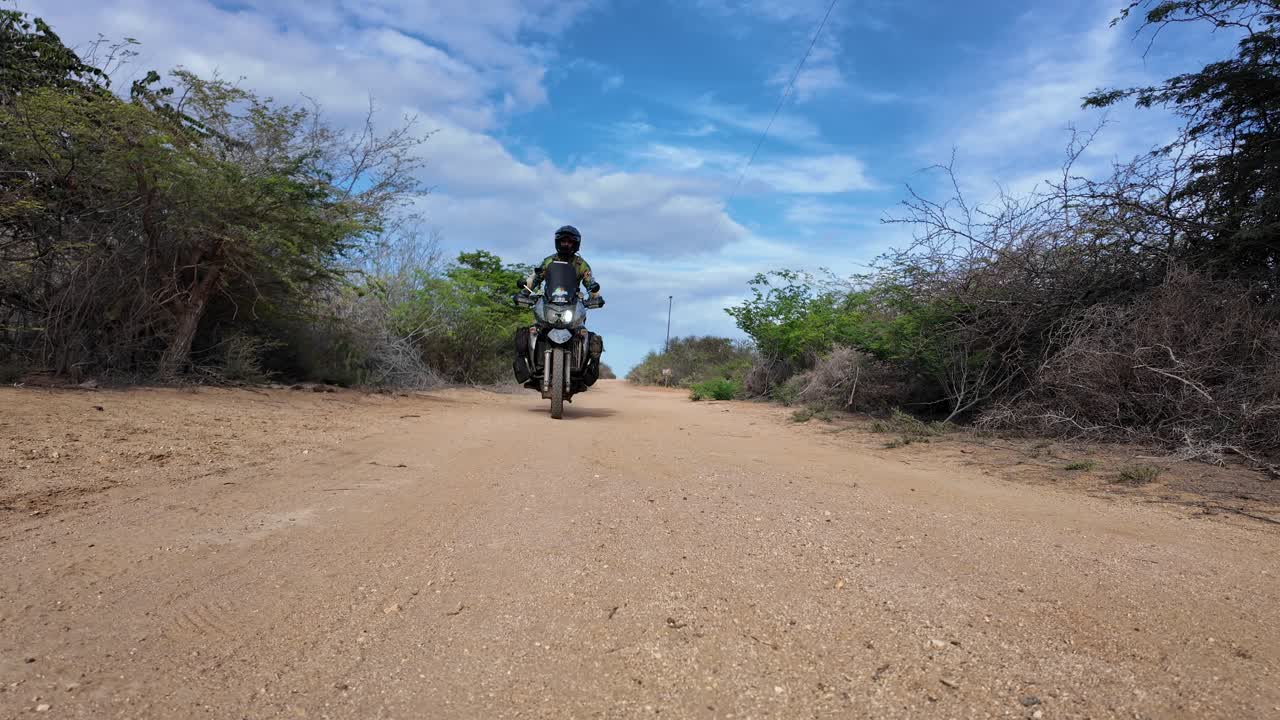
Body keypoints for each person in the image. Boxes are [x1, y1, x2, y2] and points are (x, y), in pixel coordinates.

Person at [513, 225, 605, 385]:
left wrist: (595, 296)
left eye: (569, 241)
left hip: (572, 305)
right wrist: (524, 292)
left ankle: (589, 370)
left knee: (588, 337)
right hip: (549, 303)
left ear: (575, 244)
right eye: (563, 241)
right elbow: (535, 278)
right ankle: (526, 366)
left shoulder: (581, 264)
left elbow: (591, 283)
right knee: (530, 332)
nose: (566, 244)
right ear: (557, 242)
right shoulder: (549, 261)